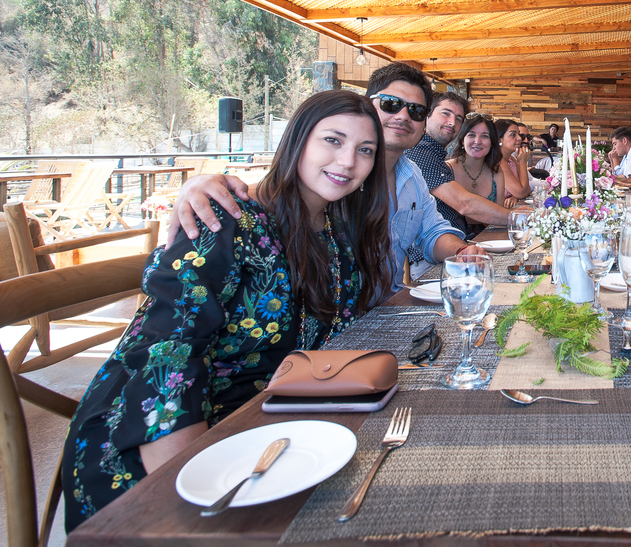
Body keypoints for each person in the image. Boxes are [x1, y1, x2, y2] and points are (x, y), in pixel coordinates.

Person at [62, 91, 393, 532]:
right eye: (332, 140)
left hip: (271, 427)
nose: (348, 161)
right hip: (163, 438)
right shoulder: (226, 219)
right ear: (297, 141)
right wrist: (185, 496)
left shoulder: (336, 230)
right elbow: (166, 356)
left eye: (365, 150)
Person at [167, 63, 484, 286]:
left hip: (373, 316)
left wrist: (461, 251)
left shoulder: (408, 176)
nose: (403, 116)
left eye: (415, 111)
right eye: (391, 104)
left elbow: (431, 232)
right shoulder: (337, 183)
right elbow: (277, 193)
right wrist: (205, 186)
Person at [404, 93, 516, 237]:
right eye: (445, 113)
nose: (452, 122)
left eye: (458, 119)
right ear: (427, 115)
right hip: (438, 247)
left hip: (456, 241)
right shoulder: (420, 152)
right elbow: (464, 204)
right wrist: (523, 218)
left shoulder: (434, 154)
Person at [446, 113, 506, 236]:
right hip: (451, 239)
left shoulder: (496, 172)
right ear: (462, 140)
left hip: (489, 240)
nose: (477, 141)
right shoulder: (447, 169)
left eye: (484, 136)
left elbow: (499, 219)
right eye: (471, 135)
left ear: (492, 142)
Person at [495, 118, 532, 205]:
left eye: (518, 134)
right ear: (499, 139)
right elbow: (522, 192)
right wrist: (523, 162)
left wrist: (515, 197)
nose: (519, 138)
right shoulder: (497, 161)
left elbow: (527, 189)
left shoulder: (511, 159)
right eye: (513, 135)